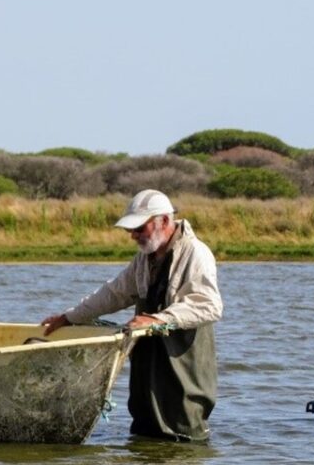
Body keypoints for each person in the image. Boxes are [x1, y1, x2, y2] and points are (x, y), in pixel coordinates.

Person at [40, 189, 223, 441]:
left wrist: (158, 319)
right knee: (145, 431)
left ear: (165, 221)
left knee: (184, 434)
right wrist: (69, 317)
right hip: (148, 364)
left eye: (140, 227)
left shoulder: (195, 253)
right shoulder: (144, 258)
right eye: (131, 229)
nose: (133, 235)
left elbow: (209, 305)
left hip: (183, 363)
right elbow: (114, 293)